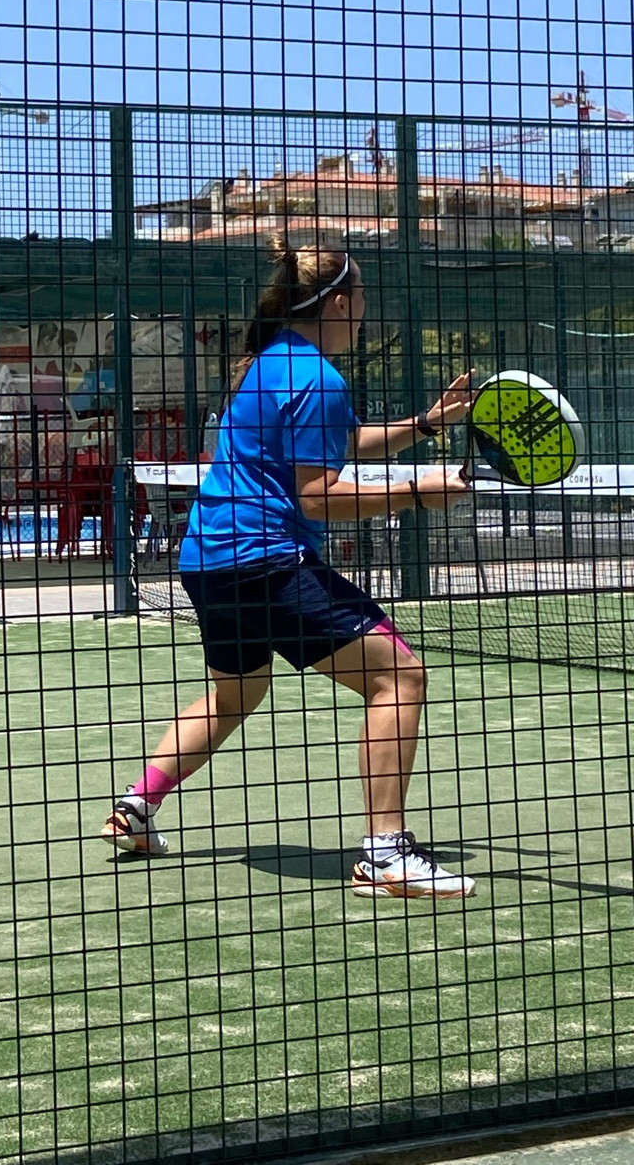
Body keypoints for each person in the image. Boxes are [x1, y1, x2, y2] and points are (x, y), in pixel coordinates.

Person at [102, 243, 478, 899]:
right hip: (266, 561)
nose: (366, 309)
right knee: (399, 676)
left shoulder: (271, 363)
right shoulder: (318, 378)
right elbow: (317, 496)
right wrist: (418, 492)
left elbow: (338, 441)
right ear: (340, 304)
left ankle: (136, 807)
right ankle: (386, 854)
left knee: (234, 696)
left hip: (209, 562)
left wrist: (423, 425)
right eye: (362, 296)